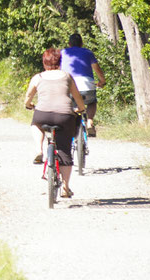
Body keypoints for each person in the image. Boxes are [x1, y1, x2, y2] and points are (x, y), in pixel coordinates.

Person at [24, 48, 85, 198]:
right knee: (64, 150)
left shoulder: (38, 77)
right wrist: (80, 108)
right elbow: (77, 97)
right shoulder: (67, 76)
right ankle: (65, 187)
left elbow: (28, 96)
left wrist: (29, 105)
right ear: (60, 62)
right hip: (64, 116)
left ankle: (39, 149)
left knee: (35, 124)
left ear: (44, 62)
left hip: (42, 114)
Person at [60, 33, 106, 137]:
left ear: (69, 44)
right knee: (92, 102)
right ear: (81, 43)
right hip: (86, 85)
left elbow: (58, 69)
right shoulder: (88, 53)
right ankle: (90, 121)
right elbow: (97, 69)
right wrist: (102, 81)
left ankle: (67, 125)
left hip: (68, 86)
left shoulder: (63, 52)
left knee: (69, 103)